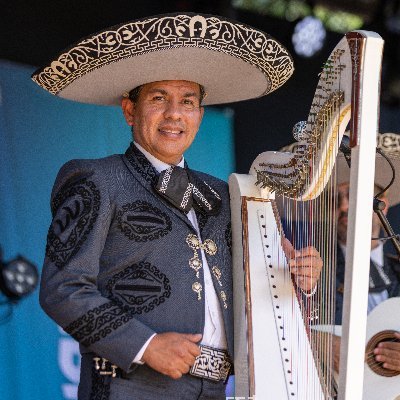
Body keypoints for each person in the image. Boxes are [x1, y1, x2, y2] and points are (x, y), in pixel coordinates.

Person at [34, 13, 322, 400]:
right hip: (129, 386)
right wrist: (146, 345)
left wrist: (298, 277)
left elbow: (263, 288)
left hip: (218, 390)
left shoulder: (224, 195)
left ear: (200, 116)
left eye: (187, 102)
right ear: (129, 110)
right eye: (159, 98)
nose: (174, 114)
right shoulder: (96, 178)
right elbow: (62, 289)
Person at [333, 133, 400, 372]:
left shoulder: (397, 270)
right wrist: (320, 341)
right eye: (335, 199)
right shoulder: (312, 271)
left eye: (352, 195)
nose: (342, 207)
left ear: (381, 202)